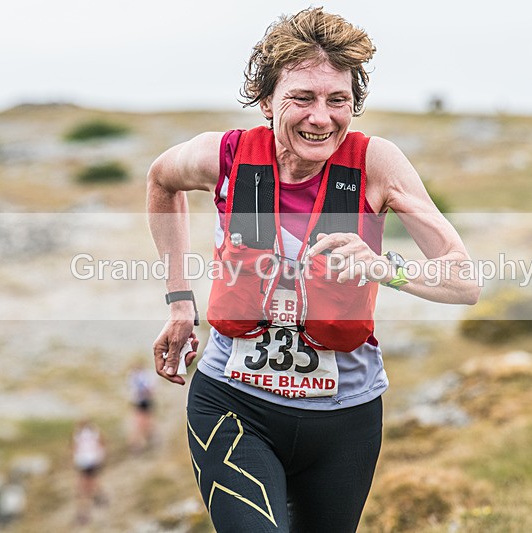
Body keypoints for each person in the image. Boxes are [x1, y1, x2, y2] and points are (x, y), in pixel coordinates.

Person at [147, 7, 479, 532]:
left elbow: (465, 281)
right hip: (233, 404)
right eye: (301, 98)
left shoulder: (377, 164)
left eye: (337, 100)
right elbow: (160, 182)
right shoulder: (224, 157)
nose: (320, 117)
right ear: (266, 100)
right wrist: (179, 301)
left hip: (346, 419)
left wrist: (382, 266)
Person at [72, 419, 107, 524]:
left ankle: (83, 513)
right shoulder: (94, 432)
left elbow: (74, 448)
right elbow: (101, 445)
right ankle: (99, 497)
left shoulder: (79, 434)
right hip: (91, 461)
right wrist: (101, 457)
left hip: (85, 462)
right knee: (91, 483)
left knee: (83, 488)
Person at [127, 361, 156, 453]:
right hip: (141, 401)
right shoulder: (137, 377)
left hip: (143, 401)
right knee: (141, 423)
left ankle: (141, 444)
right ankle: (140, 444)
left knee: (143, 423)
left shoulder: (139, 377)